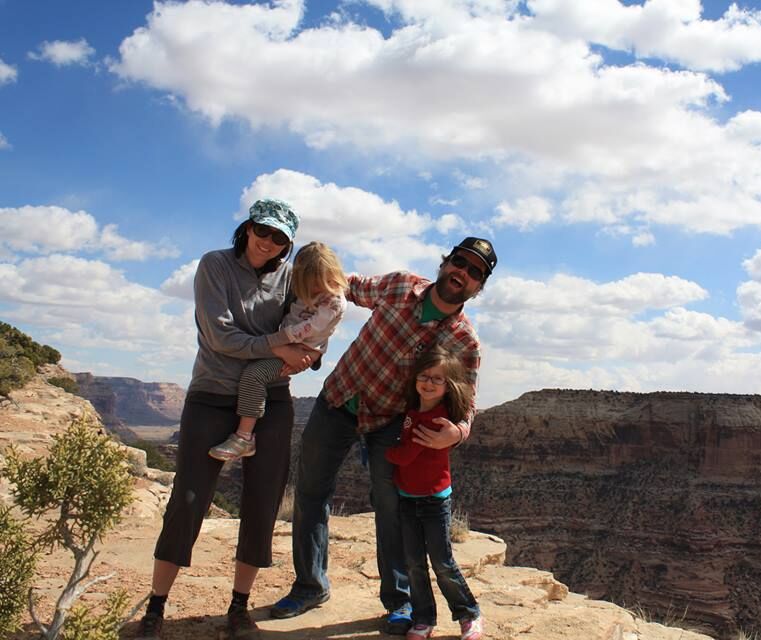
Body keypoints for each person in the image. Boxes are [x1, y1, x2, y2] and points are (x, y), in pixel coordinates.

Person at [270, 237, 498, 637]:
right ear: (446, 263)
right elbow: (345, 285)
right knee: (310, 494)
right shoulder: (399, 286)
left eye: (475, 272)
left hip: (390, 422)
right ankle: (310, 587)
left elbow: (468, 403)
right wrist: (309, 303)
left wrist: (457, 434)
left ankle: (399, 601)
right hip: (338, 399)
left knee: (392, 510)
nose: (463, 273)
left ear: (479, 286)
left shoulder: (465, 341)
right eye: (460, 262)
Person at [135, 199, 320, 640]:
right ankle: (155, 609)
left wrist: (308, 354)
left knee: (262, 504)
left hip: (272, 402)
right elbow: (220, 337)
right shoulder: (214, 266)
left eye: (279, 238)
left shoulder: (293, 279)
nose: (268, 242)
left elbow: (315, 326)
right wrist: (281, 347)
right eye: (262, 230)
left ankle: (239, 607)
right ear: (247, 227)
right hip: (212, 396)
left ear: (287, 244)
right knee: (188, 500)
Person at [209, 241, 347, 461]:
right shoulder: (306, 290)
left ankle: (244, 437)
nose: (314, 291)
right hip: (291, 344)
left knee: (255, 375)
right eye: (309, 286)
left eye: (319, 285)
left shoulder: (334, 302)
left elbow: (312, 328)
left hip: (300, 349)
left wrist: (276, 342)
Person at [386, 346, 484, 640]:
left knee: (442, 562)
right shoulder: (413, 412)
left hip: (433, 501)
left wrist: (384, 452)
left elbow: (403, 456)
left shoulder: (437, 420)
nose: (428, 383)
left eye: (437, 379)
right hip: (408, 497)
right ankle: (424, 618)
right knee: (414, 563)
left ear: (448, 385)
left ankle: (469, 614)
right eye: (424, 376)